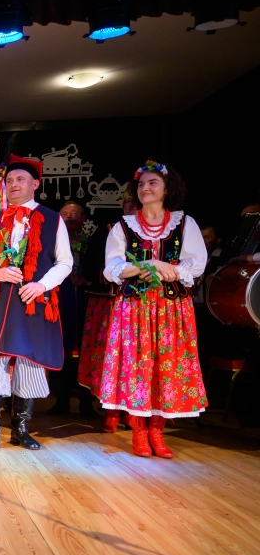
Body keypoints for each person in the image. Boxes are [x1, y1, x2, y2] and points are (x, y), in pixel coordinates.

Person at [91, 162, 208, 458]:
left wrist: (169, 269)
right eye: (141, 184)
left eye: (152, 183)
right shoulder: (123, 226)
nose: (145, 188)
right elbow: (113, 268)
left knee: (166, 366)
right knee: (137, 367)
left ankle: (157, 431)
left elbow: (196, 264)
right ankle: (139, 432)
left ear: (167, 189)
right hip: (135, 307)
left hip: (170, 306)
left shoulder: (184, 223)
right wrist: (148, 264)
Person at [0, 155, 74, 452]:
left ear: (35, 184)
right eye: (10, 180)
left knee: (28, 361)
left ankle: (21, 429)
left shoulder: (52, 219)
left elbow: (65, 262)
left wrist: (41, 285)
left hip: (32, 302)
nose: (14, 184)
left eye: (20, 179)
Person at [78, 197, 136, 432]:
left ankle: (132, 412)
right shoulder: (109, 230)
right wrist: (121, 274)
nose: (133, 206)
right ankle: (111, 412)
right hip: (108, 303)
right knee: (109, 357)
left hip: (139, 304)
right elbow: (90, 267)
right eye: (129, 201)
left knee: (134, 358)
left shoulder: (156, 233)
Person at [48, 201, 96, 416]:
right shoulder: (50, 241)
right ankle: (61, 401)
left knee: (88, 351)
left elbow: (104, 266)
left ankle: (86, 403)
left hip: (87, 302)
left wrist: (87, 277)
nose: (70, 217)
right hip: (59, 301)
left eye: (75, 213)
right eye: (65, 213)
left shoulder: (93, 242)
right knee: (60, 350)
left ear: (84, 218)